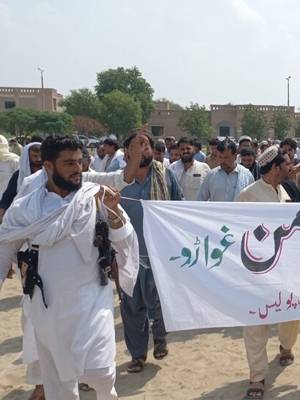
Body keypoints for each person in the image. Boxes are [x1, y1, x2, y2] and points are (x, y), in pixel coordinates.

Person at [0, 136, 139, 400]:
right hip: (47, 305)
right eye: (69, 163)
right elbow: (5, 248)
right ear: (48, 167)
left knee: (100, 371)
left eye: (79, 161)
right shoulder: (26, 208)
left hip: (92, 299)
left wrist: (113, 213)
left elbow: (124, 237)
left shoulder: (94, 197)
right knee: (59, 384)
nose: (78, 169)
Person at [235, 146, 300, 400]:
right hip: (257, 271)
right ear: (275, 167)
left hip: (287, 269)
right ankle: (257, 377)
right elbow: (237, 231)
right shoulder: (248, 195)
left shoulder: (288, 191)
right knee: (255, 324)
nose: (291, 167)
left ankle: (286, 347)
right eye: (287, 163)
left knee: (293, 314)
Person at [118, 129, 184, 374]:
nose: (143, 149)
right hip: (129, 255)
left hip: (161, 252)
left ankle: (160, 338)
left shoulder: (165, 175)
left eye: (146, 144)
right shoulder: (119, 182)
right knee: (132, 306)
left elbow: (179, 205)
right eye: (137, 145)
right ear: (128, 152)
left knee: (161, 300)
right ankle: (137, 355)